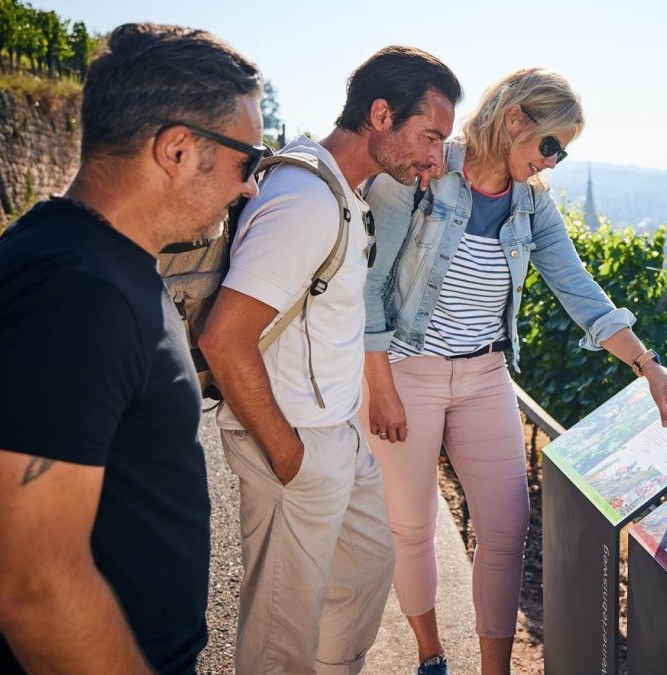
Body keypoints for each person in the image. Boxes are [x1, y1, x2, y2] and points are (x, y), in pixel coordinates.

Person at [362, 67, 667, 675]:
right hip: (407, 370)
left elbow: (581, 291)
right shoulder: (423, 170)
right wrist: (380, 385)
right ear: (514, 119)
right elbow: (369, 286)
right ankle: (431, 656)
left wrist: (650, 369)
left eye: (562, 153)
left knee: (506, 528)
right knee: (411, 525)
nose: (552, 161)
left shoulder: (533, 206)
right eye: (550, 144)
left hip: (486, 376)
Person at [0, 23, 263, 674]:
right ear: (177, 150)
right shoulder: (80, 294)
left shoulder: (94, 263)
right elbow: (32, 584)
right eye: (247, 161)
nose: (251, 187)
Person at [198, 47, 461, 674]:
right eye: (430, 136)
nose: (436, 158)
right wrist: (289, 454)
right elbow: (224, 338)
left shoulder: (344, 192)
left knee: (366, 571)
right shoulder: (306, 199)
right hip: (294, 443)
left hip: (337, 436)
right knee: (281, 637)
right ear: (381, 114)